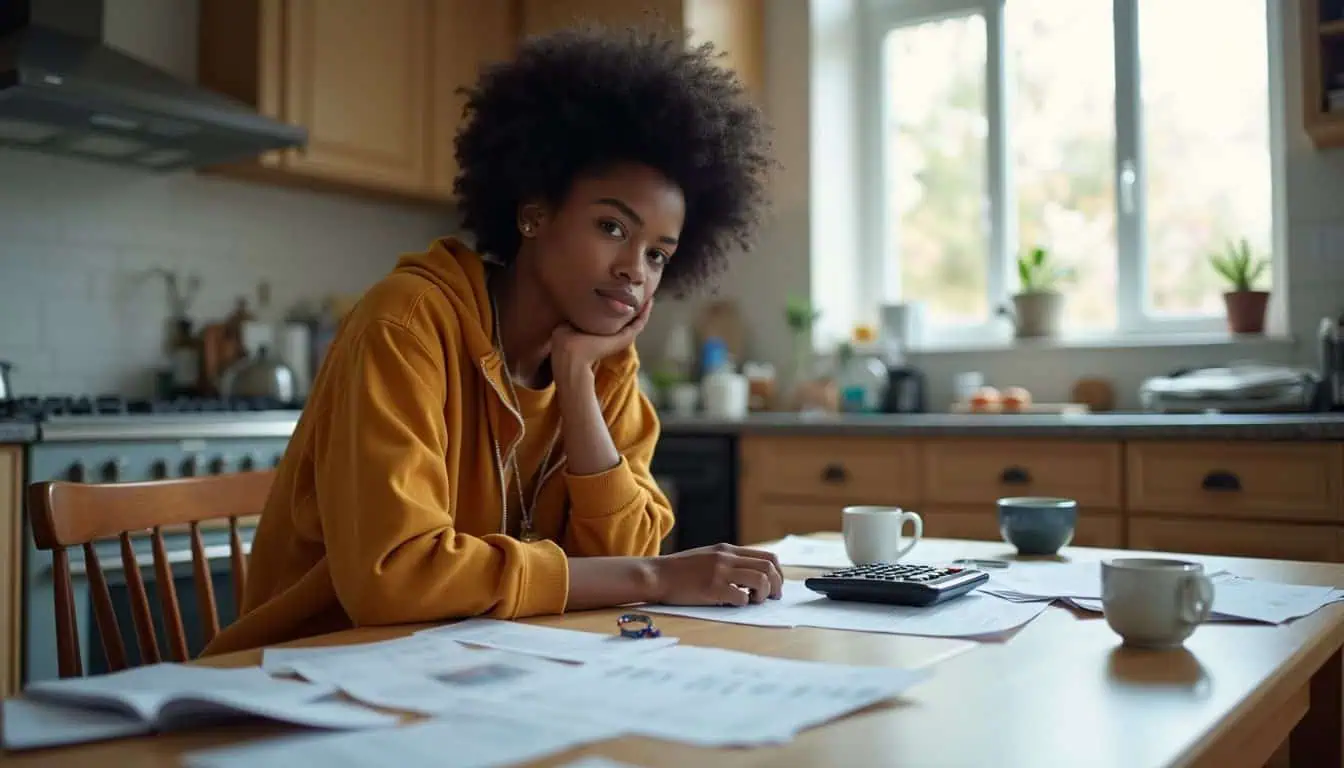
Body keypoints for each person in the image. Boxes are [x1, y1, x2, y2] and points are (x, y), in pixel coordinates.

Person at [201, 23, 778, 656]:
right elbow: (393, 578)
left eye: (659, 255)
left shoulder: (604, 364)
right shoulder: (407, 323)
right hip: (310, 677)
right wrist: (658, 574)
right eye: (612, 226)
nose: (634, 271)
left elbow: (615, 566)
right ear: (534, 213)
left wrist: (579, 385)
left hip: (469, 671)